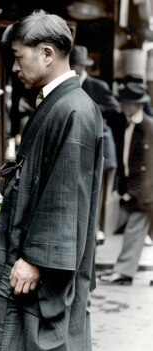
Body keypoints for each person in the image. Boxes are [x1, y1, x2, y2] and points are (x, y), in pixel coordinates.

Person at [0, 10, 104, 350]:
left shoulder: (73, 109)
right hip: (28, 247)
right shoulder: (61, 103)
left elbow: (64, 194)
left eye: (19, 58)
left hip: (37, 259)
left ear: (47, 54)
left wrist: (35, 259)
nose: (15, 68)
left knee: (27, 337)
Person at [98, 79, 153, 285]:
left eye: (127, 103)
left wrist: (133, 191)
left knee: (134, 229)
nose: (122, 106)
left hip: (146, 191)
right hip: (140, 190)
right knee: (136, 229)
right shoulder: (127, 124)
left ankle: (123, 271)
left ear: (136, 105)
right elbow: (126, 161)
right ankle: (123, 271)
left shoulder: (148, 127)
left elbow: (147, 166)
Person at [70, 44, 121, 245]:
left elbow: (116, 110)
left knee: (100, 192)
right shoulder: (70, 85)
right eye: (75, 64)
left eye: (81, 65)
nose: (78, 68)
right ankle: (88, 229)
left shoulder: (97, 86)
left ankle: (99, 231)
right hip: (82, 147)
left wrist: (90, 107)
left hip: (104, 148)